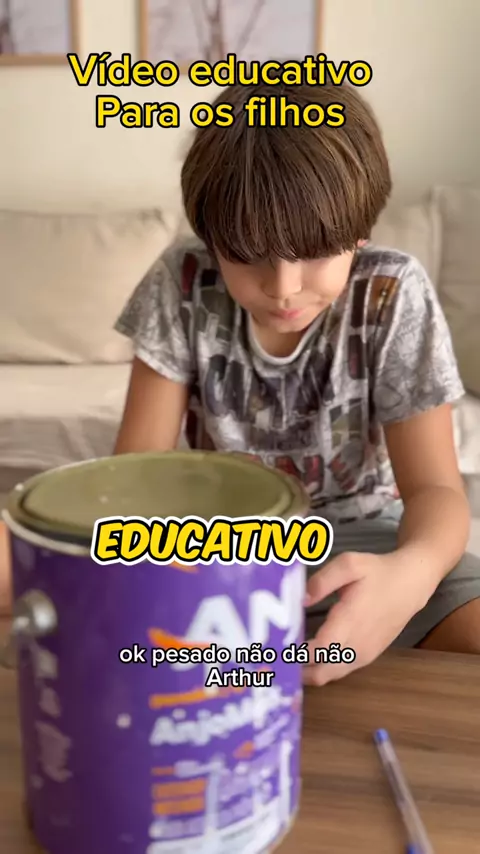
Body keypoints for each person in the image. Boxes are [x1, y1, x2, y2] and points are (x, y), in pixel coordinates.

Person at [97, 80, 480, 682]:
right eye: (248, 255)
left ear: (361, 231)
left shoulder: (392, 292)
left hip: (366, 542)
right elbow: (135, 479)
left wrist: (411, 575)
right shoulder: (180, 280)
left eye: (315, 253)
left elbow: (436, 490)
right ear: (211, 238)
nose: (282, 287)